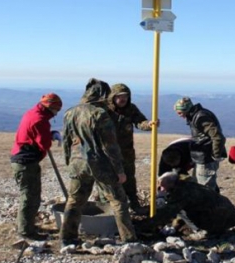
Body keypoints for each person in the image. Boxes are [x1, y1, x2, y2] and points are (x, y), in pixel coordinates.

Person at [60, 78, 137, 245]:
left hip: (77, 163)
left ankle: (67, 238)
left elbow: (66, 140)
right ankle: (129, 241)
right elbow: (110, 146)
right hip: (99, 164)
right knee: (118, 201)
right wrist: (120, 170)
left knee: (75, 200)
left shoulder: (70, 112)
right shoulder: (99, 114)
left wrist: (69, 161)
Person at [10, 93, 63, 240]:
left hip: (21, 159)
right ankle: (26, 231)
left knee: (29, 195)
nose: (56, 114)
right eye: (56, 110)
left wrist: (51, 133)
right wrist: (50, 136)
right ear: (50, 107)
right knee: (30, 196)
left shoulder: (32, 113)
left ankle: (26, 225)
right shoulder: (40, 120)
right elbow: (43, 144)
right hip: (26, 162)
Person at [105, 83, 157, 212]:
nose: (122, 99)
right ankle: (110, 208)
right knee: (110, 181)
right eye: (119, 96)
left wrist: (149, 125)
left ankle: (134, 204)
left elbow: (140, 122)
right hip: (108, 153)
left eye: (125, 96)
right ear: (112, 97)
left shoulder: (131, 109)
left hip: (126, 152)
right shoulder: (105, 110)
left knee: (129, 179)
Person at [150, 172, 235, 235]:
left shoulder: (182, 193)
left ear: (171, 184)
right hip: (229, 215)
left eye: (162, 186)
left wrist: (144, 226)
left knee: (180, 210)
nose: (160, 189)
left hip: (220, 220)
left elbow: (166, 213)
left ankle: (201, 230)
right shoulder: (187, 184)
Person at [174, 97, 227, 193]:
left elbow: (218, 137)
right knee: (199, 186)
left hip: (206, 158)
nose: (179, 116)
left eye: (180, 113)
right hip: (202, 157)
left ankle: (211, 207)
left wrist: (215, 155)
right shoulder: (197, 115)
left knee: (205, 189)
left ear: (186, 110)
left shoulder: (200, 117)